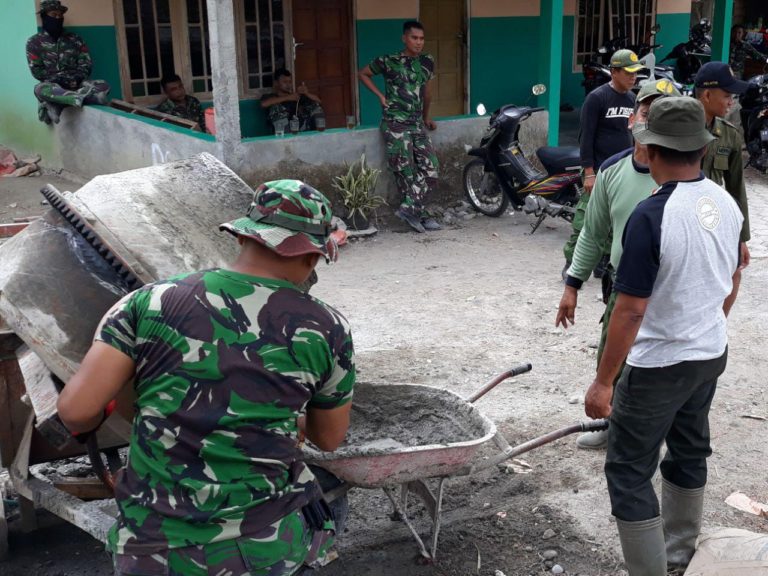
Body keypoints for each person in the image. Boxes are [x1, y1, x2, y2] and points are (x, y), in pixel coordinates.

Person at [57, 180, 356, 576]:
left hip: (153, 549)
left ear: (243, 239)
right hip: (262, 547)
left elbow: (77, 412)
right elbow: (329, 437)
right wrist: (292, 420)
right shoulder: (327, 327)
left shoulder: (147, 301)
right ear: (311, 257)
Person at [584, 97, 742, 575]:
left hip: (658, 366)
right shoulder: (724, 201)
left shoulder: (651, 216)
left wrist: (604, 382)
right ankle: (678, 557)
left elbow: (630, 311)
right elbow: (735, 275)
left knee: (629, 470)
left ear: (651, 152)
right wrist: (706, 322)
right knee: (690, 449)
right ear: (700, 149)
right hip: (710, 352)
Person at [556, 79, 681, 451]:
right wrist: (572, 285)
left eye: (662, 115)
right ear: (632, 118)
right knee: (612, 358)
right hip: (623, 288)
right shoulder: (612, 171)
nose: (651, 121)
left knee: (660, 368)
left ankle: (655, 438)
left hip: (668, 291)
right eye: (647, 112)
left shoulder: (683, 173)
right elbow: (592, 234)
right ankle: (613, 425)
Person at [358, 20, 441, 233]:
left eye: (422, 38)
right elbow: (363, 73)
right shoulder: (389, 60)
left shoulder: (427, 61)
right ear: (405, 38)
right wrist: (380, 96)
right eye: (414, 38)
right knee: (405, 172)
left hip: (416, 124)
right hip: (394, 123)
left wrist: (426, 117)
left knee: (431, 168)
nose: (419, 42)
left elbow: (427, 93)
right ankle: (418, 215)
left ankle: (408, 209)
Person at [563, 49, 640, 274]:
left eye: (635, 73)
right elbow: (586, 137)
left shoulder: (632, 99)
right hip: (598, 168)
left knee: (616, 216)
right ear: (614, 71)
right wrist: (589, 172)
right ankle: (571, 262)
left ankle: (602, 262)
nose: (633, 77)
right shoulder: (597, 98)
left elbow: (632, 135)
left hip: (622, 170)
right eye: (628, 72)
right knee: (586, 217)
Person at [695, 62, 752, 268]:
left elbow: (737, 189)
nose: (731, 102)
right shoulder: (678, 128)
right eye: (727, 96)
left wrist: (741, 238)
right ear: (707, 95)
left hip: (709, 219)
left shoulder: (729, 134)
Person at [26, 0, 110, 125]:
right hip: (55, 87)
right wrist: (58, 79)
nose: (58, 18)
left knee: (103, 84)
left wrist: (76, 77)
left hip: (77, 83)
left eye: (60, 16)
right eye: (53, 15)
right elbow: (37, 71)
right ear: (44, 17)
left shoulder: (75, 39)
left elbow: (86, 64)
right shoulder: (34, 42)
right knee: (39, 89)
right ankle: (81, 98)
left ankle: (59, 104)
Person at [261, 69, 325, 133]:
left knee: (314, 105)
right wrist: (288, 97)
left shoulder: (295, 96)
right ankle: (286, 138)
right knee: (276, 107)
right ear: (276, 83)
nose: (288, 85)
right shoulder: (270, 96)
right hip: (283, 131)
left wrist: (306, 93)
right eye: (285, 82)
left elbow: (319, 101)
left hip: (301, 128)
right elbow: (264, 104)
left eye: (290, 82)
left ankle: (319, 134)